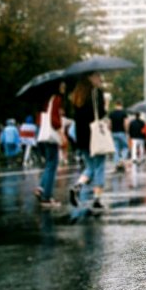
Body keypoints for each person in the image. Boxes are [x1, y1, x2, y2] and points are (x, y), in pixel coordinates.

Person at [68, 72, 107, 219]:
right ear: (89, 78)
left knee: (90, 167)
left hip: (81, 136)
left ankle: (77, 186)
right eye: (97, 76)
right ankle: (97, 200)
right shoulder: (96, 93)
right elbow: (101, 113)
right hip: (94, 136)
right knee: (100, 167)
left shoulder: (77, 95)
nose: (100, 79)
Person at [34, 80, 65, 208]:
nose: (64, 87)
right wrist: (61, 134)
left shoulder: (47, 100)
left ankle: (41, 188)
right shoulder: (56, 99)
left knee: (49, 164)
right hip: (52, 135)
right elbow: (54, 120)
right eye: (62, 85)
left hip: (45, 135)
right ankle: (47, 197)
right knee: (53, 165)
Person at [108, 101, 129, 170]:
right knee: (125, 147)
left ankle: (116, 163)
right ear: (121, 105)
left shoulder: (111, 114)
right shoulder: (124, 113)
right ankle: (122, 160)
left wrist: (110, 131)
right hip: (121, 132)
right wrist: (126, 131)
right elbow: (125, 124)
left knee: (116, 148)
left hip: (114, 133)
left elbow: (109, 124)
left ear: (115, 105)